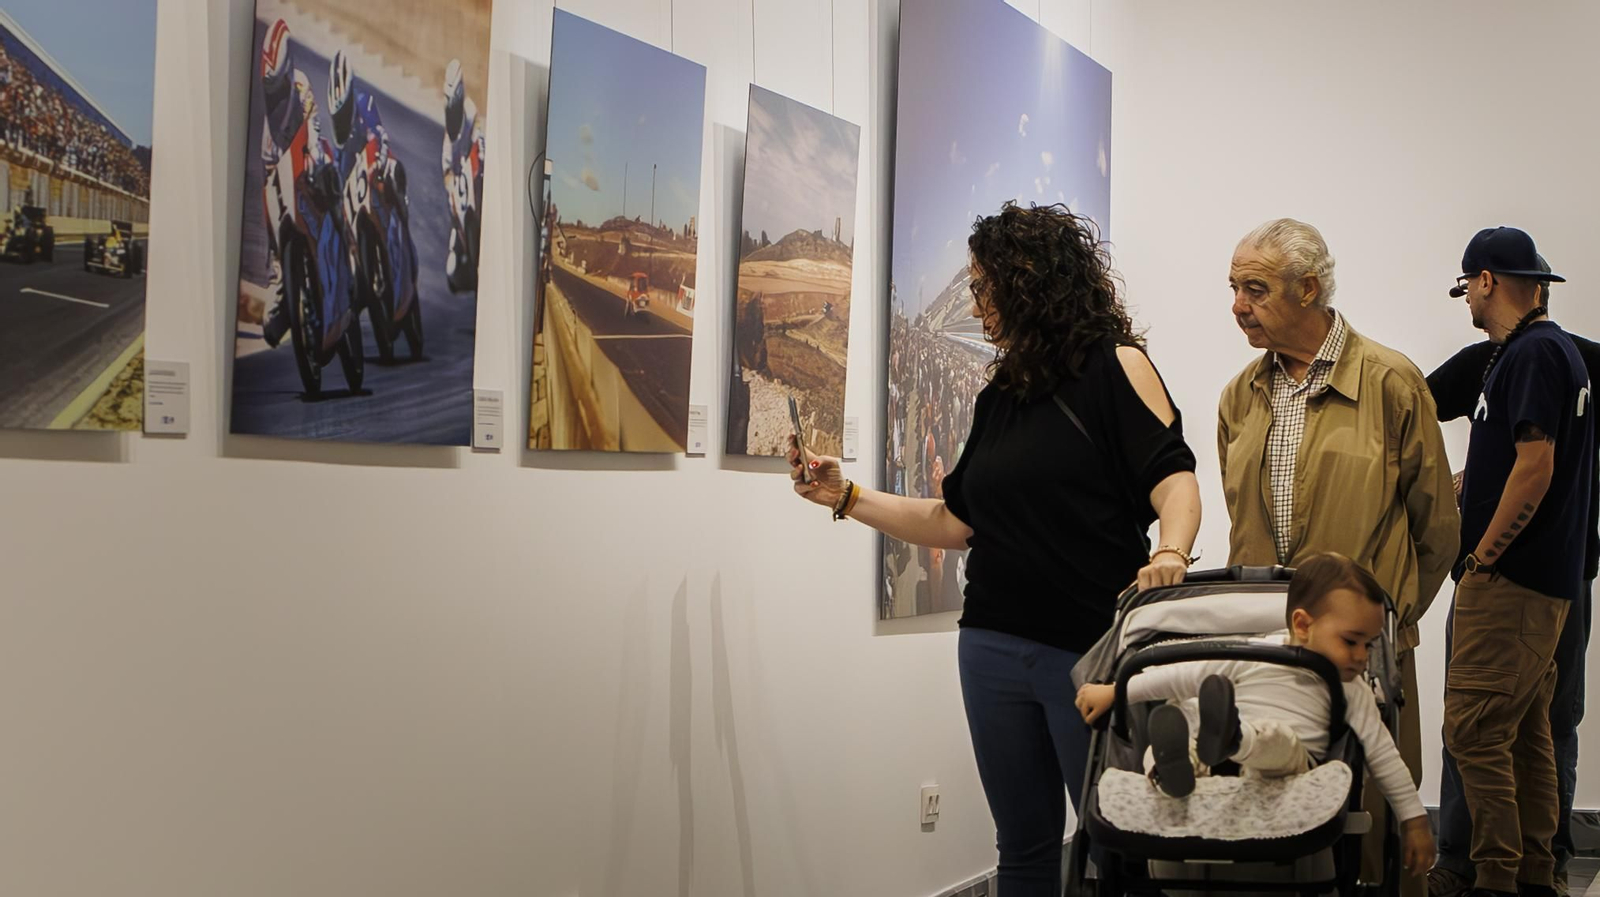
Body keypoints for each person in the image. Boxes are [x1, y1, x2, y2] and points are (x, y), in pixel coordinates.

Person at [789, 202, 1201, 896]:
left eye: (984, 285)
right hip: (990, 648)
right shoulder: (1000, 395)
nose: (977, 303)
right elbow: (955, 520)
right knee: (1024, 845)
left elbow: (1175, 480)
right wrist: (845, 495)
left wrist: (1174, 552)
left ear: (1029, 278)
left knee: (1118, 844)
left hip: (1088, 652)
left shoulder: (1116, 367)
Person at [1216, 217, 1458, 893]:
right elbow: (1244, 520)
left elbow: (1437, 527)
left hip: (1366, 656)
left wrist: (1386, 619)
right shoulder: (1240, 396)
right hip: (1270, 654)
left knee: (1375, 834)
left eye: (1255, 288)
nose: (1238, 304)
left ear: (1309, 288)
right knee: (1274, 825)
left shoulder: (1391, 383)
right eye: (1233, 287)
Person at [1076, 552, 1436, 872]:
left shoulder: (1350, 688)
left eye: (1369, 645)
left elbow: (1382, 753)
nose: (1361, 657)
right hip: (1210, 743)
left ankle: (1233, 737)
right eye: (1351, 641)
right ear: (1302, 626)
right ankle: (1169, 771)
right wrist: (1116, 690)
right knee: (1180, 717)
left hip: (1282, 766)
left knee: (1278, 739)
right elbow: (1179, 676)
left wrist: (1414, 819)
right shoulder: (1249, 654)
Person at [1427, 255, 1596, 897]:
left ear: (1488, 281)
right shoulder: (1556, 355)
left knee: (1473, 729)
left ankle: (1494, 877)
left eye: (1466, 286)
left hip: (1514, 583)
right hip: (1551, 581)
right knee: (1528, 733)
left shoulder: (1528, 356)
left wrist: (1481, 557)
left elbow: (1536, 465)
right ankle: (1534, 873)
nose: (1465, 299)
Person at [257, 19, 335, 349]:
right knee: (267, 198)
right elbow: (268, 170)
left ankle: (345, 250)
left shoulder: (301, 86)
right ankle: (282, 273)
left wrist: (316, 158)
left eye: (275, 86)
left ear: (287, 71)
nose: (272, 95)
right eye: (267, 87)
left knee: (330, 168)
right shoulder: (267, 129)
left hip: (312, 158)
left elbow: (314, 128)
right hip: (286, 180)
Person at [441, 58, 484, 293]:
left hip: (475, 176)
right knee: (451, 274)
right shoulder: (449, 133)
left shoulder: (470, 110)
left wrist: (479, 157)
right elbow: (446, 166)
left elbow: (480, 137)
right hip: (459, 194)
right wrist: (449, 180)